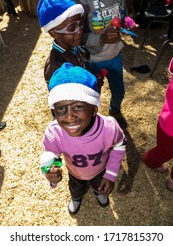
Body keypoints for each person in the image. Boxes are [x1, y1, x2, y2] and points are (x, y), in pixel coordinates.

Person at [41, 62, 127, 214]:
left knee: (99, 185)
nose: (69, 116)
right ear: (54, 111)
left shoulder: (109, 128)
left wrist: (111, 174)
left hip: (101, 170)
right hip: (74, 172)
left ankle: (97, 192)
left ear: (93, 109)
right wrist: (50, 171)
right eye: (61, 108)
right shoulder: (54, 133)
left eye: (78, 106)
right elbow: (51, 154)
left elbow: (119, 145)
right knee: (75, 188)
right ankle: (76, 197)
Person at [72, 0, 128, 127]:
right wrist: (101, 38)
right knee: (92, 95)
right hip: (93, 59)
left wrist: (127, 24)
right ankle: (92, 122)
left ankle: (115, 111)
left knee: (119, 91)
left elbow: (122, 15)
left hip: (115, 55)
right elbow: (77, 37)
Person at [37, 0, 85, 85]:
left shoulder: (74, 47)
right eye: (71, 28)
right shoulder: (57, 68)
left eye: (80, 24)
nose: (79, 31)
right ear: (54, 33)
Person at [143, 58, 173, 191]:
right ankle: (151, 160)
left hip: (168, 123)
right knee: (163, 152)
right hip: (169, 127)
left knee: (163, 151)